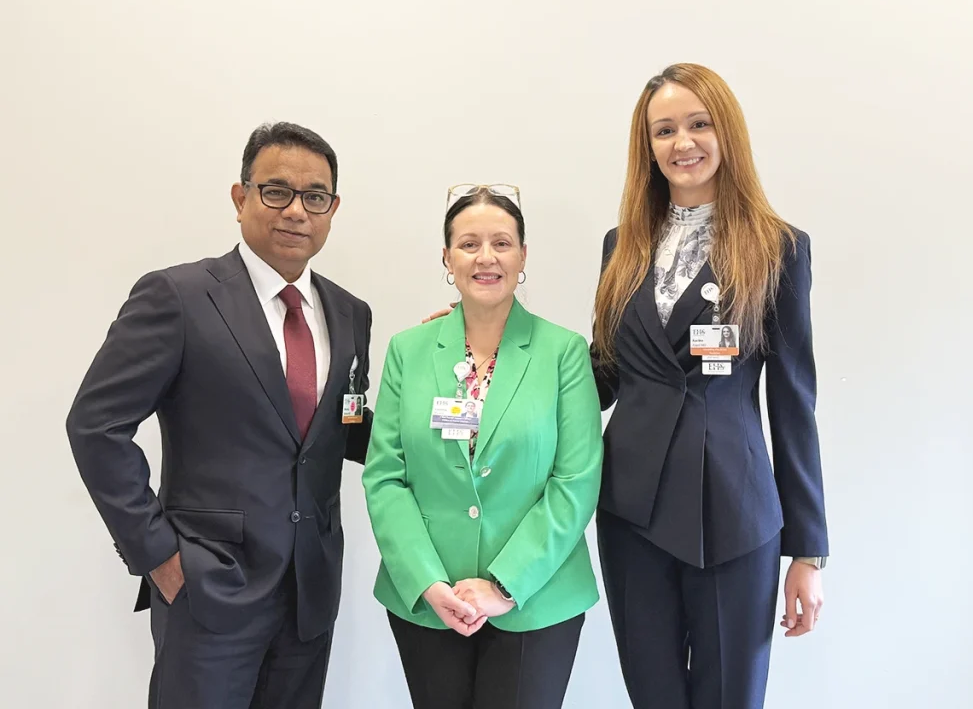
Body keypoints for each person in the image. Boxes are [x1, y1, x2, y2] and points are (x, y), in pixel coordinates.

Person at [66, 122, 373, 709]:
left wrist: (451, 376)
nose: (296, 211)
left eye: (316, 197)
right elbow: (95, 424)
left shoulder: (349, 312)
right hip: (208, 589)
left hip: (310, 591)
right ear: (240, 198)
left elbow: (342, 427)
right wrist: (158, 554)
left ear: (333, 209)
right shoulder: (178, 297)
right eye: (275, 190)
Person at [591, 64, 829, 709]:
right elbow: (601, 374)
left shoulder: (777, 248)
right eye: (663, 130)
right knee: (654, 695)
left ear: (727, 132)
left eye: (698, 123)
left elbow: (793, 402)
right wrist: (487, 342)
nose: (682, 142)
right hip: (630, 511)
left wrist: (807, 551)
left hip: (735, 512)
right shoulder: (623, 246)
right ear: (647, 147)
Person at [363, 184, 603, 709]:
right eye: (469, 244)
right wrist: (426, 581)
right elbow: (385, 477)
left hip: (538, 597)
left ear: (523, 256)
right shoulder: (409, 350)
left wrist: (504, 584)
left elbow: (576, 481)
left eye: (502, 242)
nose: (486, 257)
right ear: (447, 258)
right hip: (429, 598)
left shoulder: (563, 353)